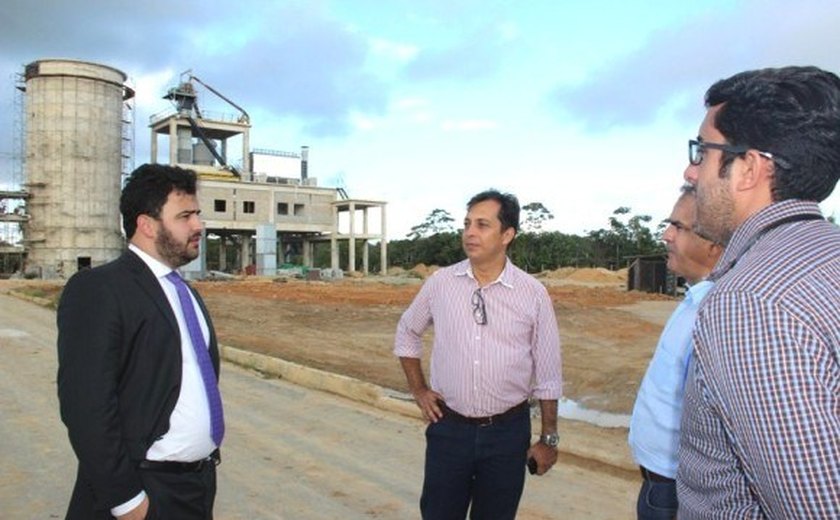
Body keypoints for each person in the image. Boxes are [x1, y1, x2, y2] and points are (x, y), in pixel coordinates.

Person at [678, 66, 840, 518]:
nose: (691, 172)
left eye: (701, 152)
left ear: (748, 168)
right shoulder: (826, 257)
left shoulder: (751, 304)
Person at [57, 163, 224, 519]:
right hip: (144, 492)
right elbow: (86, 406)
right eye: (185, 216)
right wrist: (127, 500)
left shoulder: (185, 292)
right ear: (147, 225)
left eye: (197, 214)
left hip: (197, 487)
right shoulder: (100, 289)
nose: (198, 225)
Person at [394, 189, 563, 520]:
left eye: (483, 225)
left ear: (507, 235)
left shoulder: (533, 294)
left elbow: (548, 373)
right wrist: (419, 390)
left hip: (507, 434)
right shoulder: (440, 283)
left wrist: (548, 438)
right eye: (467, 223)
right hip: (449, 429)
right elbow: (407, 331)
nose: (470, 232)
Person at [628, 185, 722, 519]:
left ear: (712, 242)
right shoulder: (694, 299)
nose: (666, 235)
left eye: (678, 227)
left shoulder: (715, 313)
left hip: (676, 488)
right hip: (660, 481)